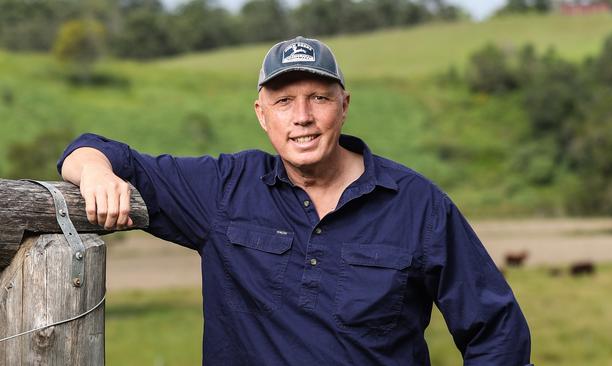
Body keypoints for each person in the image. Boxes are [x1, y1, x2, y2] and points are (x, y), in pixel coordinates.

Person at [58, 36, 532, 365]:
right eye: (284, 102)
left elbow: (495, 330)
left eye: (318, 98)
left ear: (344, 105)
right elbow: (92, 149)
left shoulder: (417, 206)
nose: (302, 117)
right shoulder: (224, 188)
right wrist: (96, 171)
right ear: (261, 115)